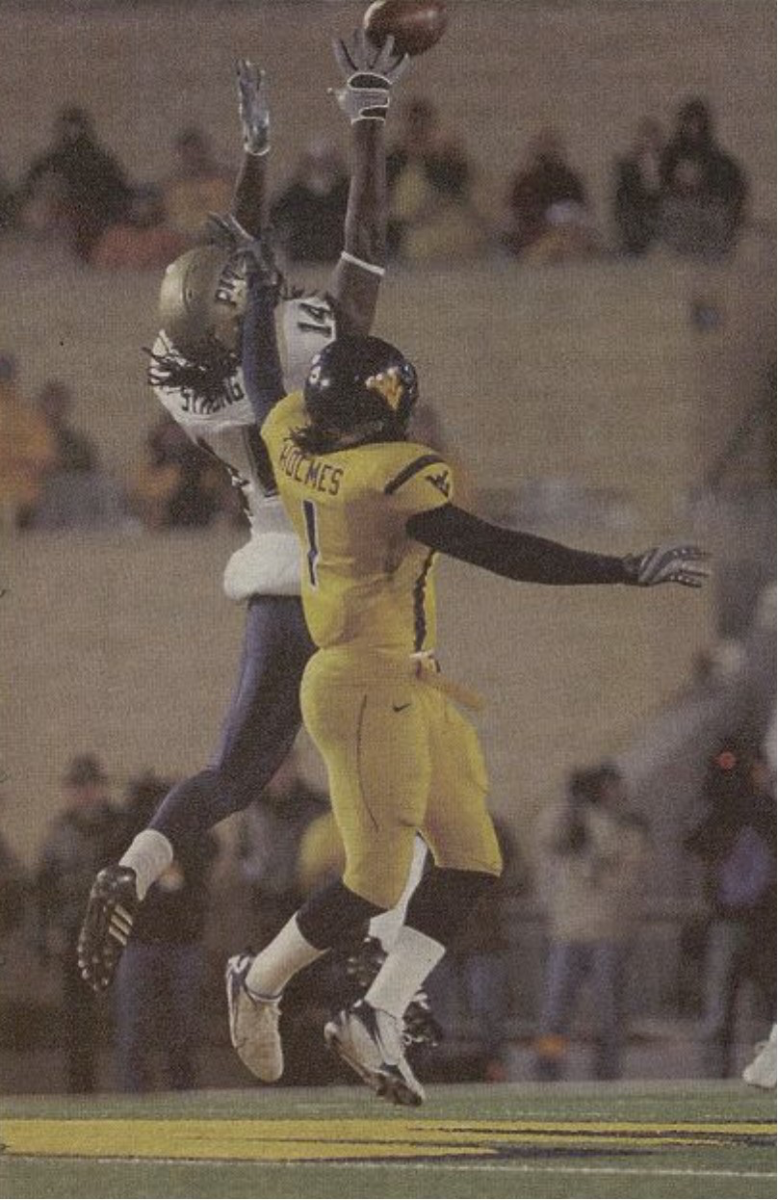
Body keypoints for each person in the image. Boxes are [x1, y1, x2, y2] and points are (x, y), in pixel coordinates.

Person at [226, 228, 709, 1106]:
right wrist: (620, 568)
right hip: (365, 684)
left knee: (474, 858)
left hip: (405, 681)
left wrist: (259, 301)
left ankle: (377, 1012)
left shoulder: (299, 441)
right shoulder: (391, 473)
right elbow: (495, 548)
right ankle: (258, 980)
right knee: (374, 879)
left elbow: (265, 388)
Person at [77, 33, 430, 1015]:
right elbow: (361, 249)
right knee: (402, 787)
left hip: (273, 572)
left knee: (232, 772)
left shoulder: (191, 382)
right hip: (346, 578)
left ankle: (139, 866)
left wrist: (261, 165)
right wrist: (365, 118)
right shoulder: (293, 352)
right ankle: (384, 981)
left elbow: (234, 271)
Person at [532, 763, 650, 1081]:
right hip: (568, 931)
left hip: (609, 931)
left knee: (609, 1014)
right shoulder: (572, 821)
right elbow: (546, 833)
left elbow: (617, 864)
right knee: (554, 1012)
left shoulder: (628, 826)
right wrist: (569, 802)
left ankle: (607, 1072)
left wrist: (592, 818)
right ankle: (548, 1069)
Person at [114, 772, 218, 1092]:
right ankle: (137, 1093)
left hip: (178, 943)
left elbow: (210, 851)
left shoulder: (189, 837)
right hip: (142, 942)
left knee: (181, 1028)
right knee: (135, 1029)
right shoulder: (126, 835)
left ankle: (179, 1090)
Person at [684, 736, 776, 1078]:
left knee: (768, 1001)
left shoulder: (765, 810)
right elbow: (694, 840)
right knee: (719, 1001)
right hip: (727, 919)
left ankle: (766, 1070)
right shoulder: (719, 810)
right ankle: (713, 1072)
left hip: (765, 920)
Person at [35, 754, 124, 1092]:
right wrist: (45, 937)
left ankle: (128, 1091)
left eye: (90, 786)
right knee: (77, 1020)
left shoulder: (122, 826)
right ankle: (82, 1091)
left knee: (123, 1016)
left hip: (116, 933)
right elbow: (43, 892)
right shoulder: (58, 834)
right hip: (74, 933)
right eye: (78, 787)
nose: (85, 794)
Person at [19, 105, 131, 261]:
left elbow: (119, 193)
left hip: (93, 221)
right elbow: (30, 187)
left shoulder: (99, 160)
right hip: (73, 223)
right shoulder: (52, 161)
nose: (72, 135)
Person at [386, 96, 489, 262]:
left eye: (423, 128)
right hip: (407, 231)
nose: (417, 134)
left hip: (444, 227)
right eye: (413, 127)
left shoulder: (445, 160)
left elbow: (459, 194)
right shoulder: (393, 160)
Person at [659, 97, 747, 259]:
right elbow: (663, 183)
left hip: (705, 205)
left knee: (713, 217)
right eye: (689, 122)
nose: (692, 127)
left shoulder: (714, 155)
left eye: (696, 122)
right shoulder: (671, 153)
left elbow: (731, 183)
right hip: (679, 204)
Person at [505, 128, 597, 262]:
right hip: (539, 238)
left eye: (552, 147)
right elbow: (520, 215)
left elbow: (582, 210)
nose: (548, 153)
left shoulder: (570, 179)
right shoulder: (525, 182)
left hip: (570, 235)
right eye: (544, 148)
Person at [269, 138, 350, 263]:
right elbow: (272, 220)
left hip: (340, 256)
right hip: (303, 259)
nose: (321, 168)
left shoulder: (347, 191)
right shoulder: (294, 193)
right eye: (315, 163)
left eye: (326, 162)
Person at [0, 353, 56, 531]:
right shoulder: (30, 416)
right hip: (20, 490)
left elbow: (42, 461)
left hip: (20, 497)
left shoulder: (29, 416)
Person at [161, 126, 234, 244]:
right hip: (184, 246)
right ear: (180, 155)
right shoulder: (172, 188)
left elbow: (232, 215)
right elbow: (172, 221)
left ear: (206, 151)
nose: (193, 158)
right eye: (187, 153)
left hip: (222, 242)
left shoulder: (225, 182)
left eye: (197, 151)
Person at [613, 118, 665, 256]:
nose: (650, 143)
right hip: (636, 211)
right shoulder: (627, 166)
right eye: (646, 137)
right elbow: (622, 198)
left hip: (658, 211)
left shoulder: (666, 165)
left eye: (654, 138)